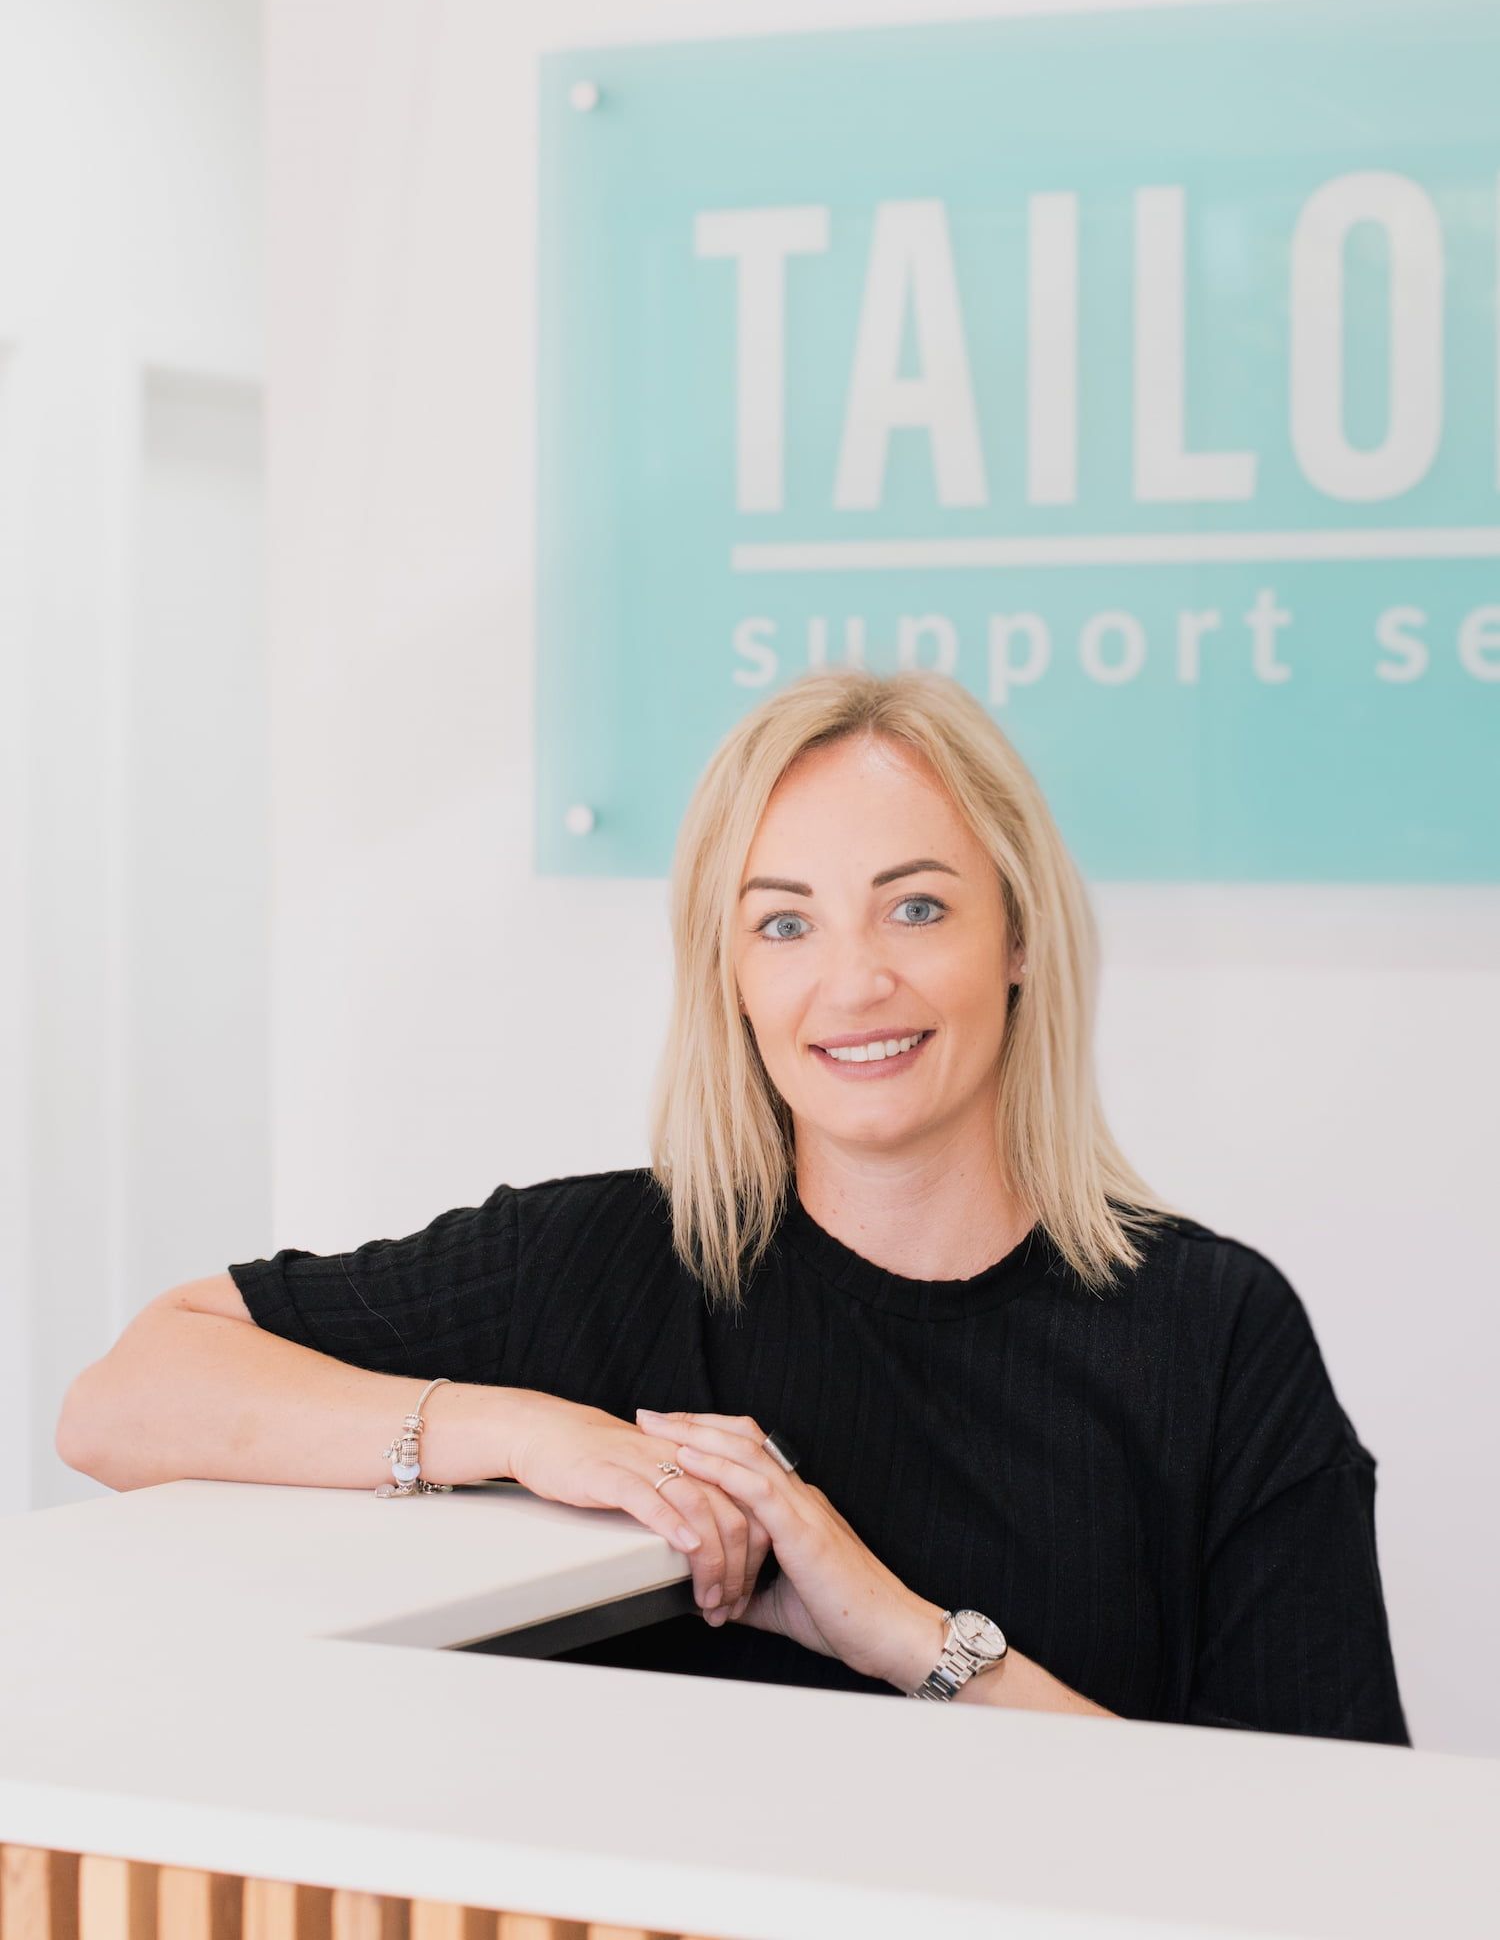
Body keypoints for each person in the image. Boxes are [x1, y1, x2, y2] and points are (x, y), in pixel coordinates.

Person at [55, 668, 1410, 1741]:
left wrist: (911, 1641)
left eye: (916, 909)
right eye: (784, 923)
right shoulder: (594, 1261)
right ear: (730, 975)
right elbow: (123, 1400)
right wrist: (524, 1431)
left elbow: (1328, 1867)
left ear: (1019, 937)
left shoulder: (1212, 1333)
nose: (853, 981)